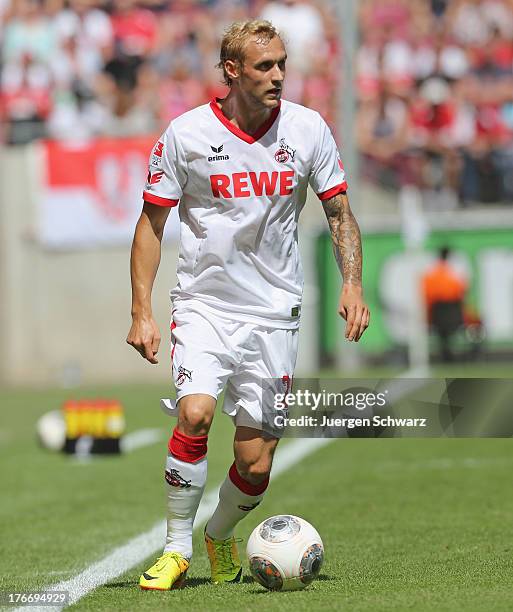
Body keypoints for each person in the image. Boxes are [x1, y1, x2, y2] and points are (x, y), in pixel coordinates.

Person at [126, 19, 370, 591]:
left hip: (274, 312)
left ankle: (218, 533)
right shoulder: (185, 136)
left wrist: (352, 283)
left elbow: (340, 214)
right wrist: (142, 309)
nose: (279, 75)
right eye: (265, 66)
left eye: (283, 63)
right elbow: (151, 223)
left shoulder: (308, 129)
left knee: (256, 463)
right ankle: (176, 548)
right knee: (195, 414)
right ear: (232, 71)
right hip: (205, 304)